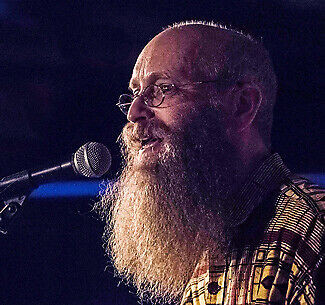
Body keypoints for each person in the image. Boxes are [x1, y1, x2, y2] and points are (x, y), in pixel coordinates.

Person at [97, 21, 324, 305]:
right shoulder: (201, 242)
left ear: (242, 105)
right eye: (135, 94)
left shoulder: (314, 232)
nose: (134, 112)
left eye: (162, 88)